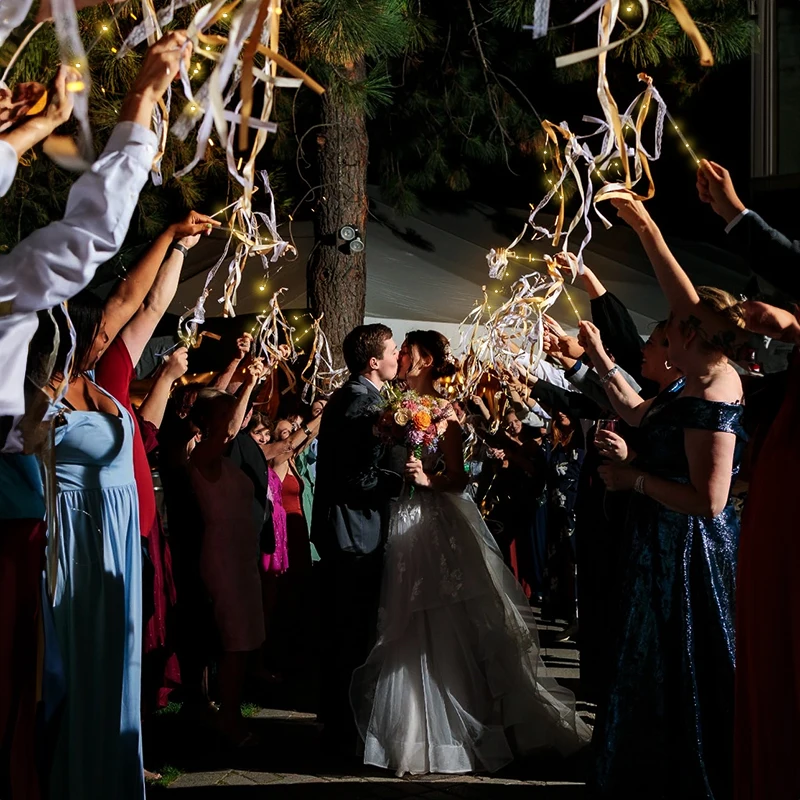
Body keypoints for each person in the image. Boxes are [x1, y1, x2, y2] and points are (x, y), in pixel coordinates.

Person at [351, 330, 591, 777]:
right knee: (406, 619)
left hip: (434, 522)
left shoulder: (444, 415)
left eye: (407, 351)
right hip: (403, 520)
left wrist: (426, 481)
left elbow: (458, 478)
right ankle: (413, 731)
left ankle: (457, 729)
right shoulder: (391, 408)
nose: (400, 356)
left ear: (423, 362)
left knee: (442, 618)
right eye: (399, 351)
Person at [584, 196, 747, 799]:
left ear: (698, 332)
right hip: (656, 545)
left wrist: (637, 482)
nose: (669, 325)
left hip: (688, 554)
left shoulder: (714, 381)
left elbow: (710, 502)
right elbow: (632, 409)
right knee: (645, 660)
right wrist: (600, 359)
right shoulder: (685, 384)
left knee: (683, 663)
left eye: (679, 322)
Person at [311, 324, 403, 756]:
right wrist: (403, 484)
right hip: (352, 531)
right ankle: (343, 728)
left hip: (352, 528)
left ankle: (340, 720)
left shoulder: (364, 397)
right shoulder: (359, 403)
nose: (398, 354)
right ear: (373, 361)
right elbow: (355, 477)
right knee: (350, 630)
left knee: (348, 628)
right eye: (392, 349)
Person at [187, 369, 266, 747]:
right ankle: (228, 718)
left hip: (241, 555)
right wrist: (246, 384)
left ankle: (228, 710)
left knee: (244, 639)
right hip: (222, 557)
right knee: (235, 639)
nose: (232, 419)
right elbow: (227, 430)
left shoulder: (225, 456)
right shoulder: (204, 454)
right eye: (224, 413)